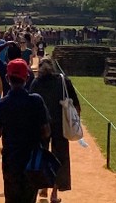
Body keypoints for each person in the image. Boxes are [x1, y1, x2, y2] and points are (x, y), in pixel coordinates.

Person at [0, 59, 51, 203]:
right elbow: (46, 132)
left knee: (11, 198)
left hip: (11, 160)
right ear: (27, 77)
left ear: (7, 78)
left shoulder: (0, 104)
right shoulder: (36, 101)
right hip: (32, 159)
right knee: (29, 198)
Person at [28, 58, 80, 203]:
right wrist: (74, 123)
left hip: (41, 126)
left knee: (41, 156)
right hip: (60, 126)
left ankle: (43, 187)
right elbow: (76, 105)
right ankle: (54, 192)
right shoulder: (63, 81)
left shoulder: (36, 83)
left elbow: (30, 107)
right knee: (60, 158)